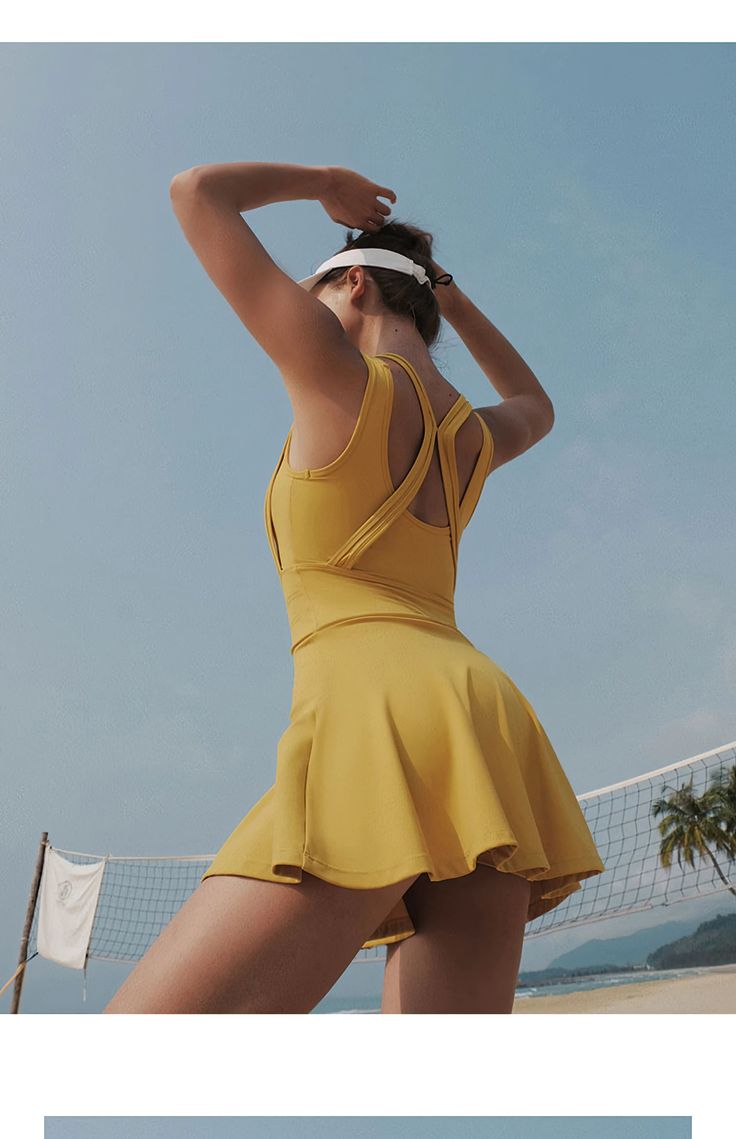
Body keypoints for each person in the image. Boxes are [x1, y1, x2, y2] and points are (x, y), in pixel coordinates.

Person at [104, 162, 604, 1014]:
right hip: (485, 723)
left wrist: (326, 182)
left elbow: (195, 192)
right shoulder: (474, 438)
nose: (306, 304)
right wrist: (447, 292)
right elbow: (536, 402)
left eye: (316, 289)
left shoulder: (339, 376)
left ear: (355, 281)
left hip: (373, 713)